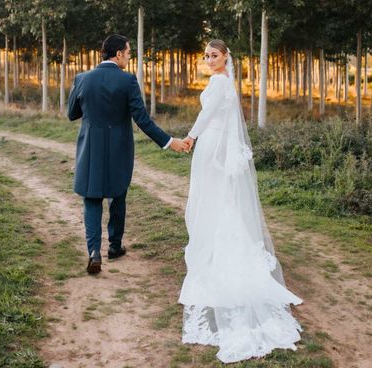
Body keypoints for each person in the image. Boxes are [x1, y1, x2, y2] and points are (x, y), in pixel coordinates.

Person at [178, 39, 303, 363]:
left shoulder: (220, 82)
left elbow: (206, 116)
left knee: (212, 199)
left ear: (225, 58)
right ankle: (215, 246)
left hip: (211, 143)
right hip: (217, 142)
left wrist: (191, 136)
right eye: (206, 55)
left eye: (214, 55)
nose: (209, 59)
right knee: (219, 200)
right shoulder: (223, 82)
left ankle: (215, 253)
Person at [68, 34, 189, 274]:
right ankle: (114, 246)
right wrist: (168, 141)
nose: (130, 56)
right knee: (117, 194)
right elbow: (142, 120)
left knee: (91, 199)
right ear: (119, 54)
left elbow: (72, 113)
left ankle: (94, 252)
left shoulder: (82, 79)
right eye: (128, 52)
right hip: (118, 147)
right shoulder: (127, 81)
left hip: (90, 147)